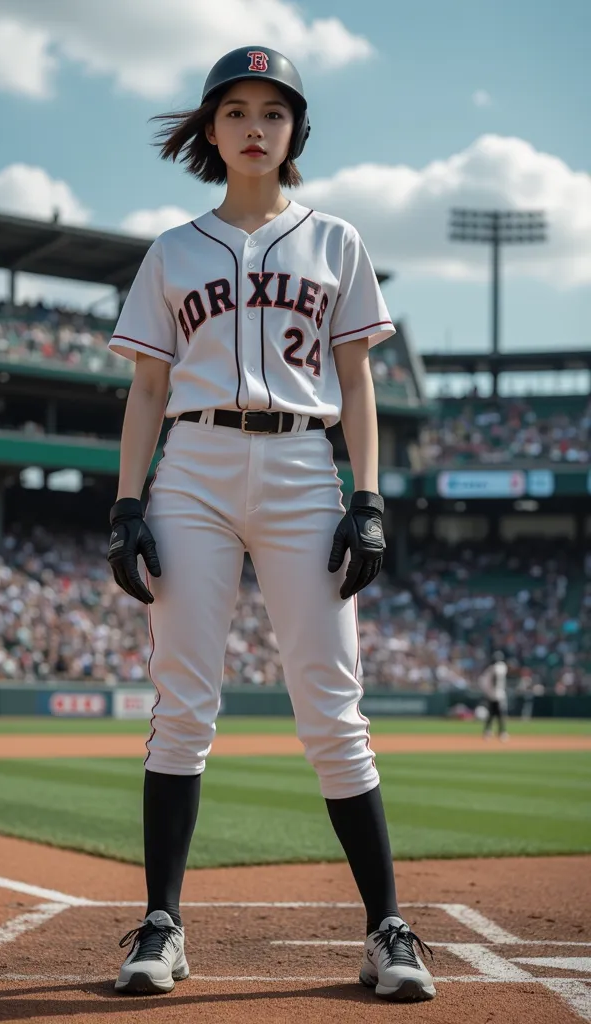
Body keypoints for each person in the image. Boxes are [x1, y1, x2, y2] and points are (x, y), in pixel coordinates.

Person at [106, 45, 435, 1003]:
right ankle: (162, 923)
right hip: (194, 469)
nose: (256, 125)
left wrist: (367, 500)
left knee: (334, 710)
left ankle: (388, 929)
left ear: (295, 133)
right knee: (182, 708)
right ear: (211, 131)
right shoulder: (172, 250)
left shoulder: (335, 240)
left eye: (274, 112)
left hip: (302, 466)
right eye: (237, 110)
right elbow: (148, 390)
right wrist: (128, 505)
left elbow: (361, 382)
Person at [479, 651, 509, 740]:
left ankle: (489, 731)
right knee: (499, 714)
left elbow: (483, 681)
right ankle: (501, 732)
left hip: (493, 694)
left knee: (493, 714)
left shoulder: (492, 669)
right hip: (498, 694)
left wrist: (488, 691)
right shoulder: (500, 667)